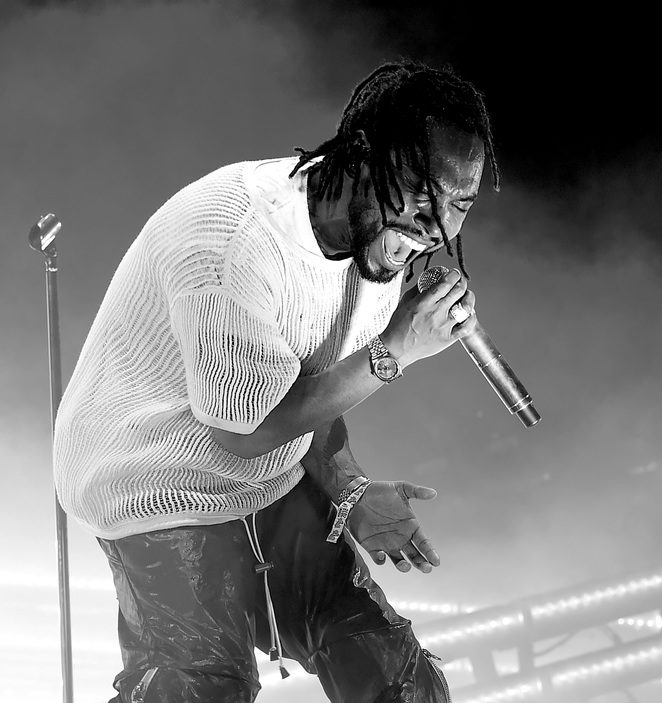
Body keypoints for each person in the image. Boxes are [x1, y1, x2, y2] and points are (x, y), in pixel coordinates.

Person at [52, 59, 500, 703]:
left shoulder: (387, 242)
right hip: (156, 481)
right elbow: (248, 429)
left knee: (391, 676)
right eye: (423, 193)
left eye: (460, 203)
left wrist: (348, 488)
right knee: (205, 686)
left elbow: (303, 380)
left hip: (270, 478)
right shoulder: (233, 242)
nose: (439, 227)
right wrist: (395, 349)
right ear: (363, 159)